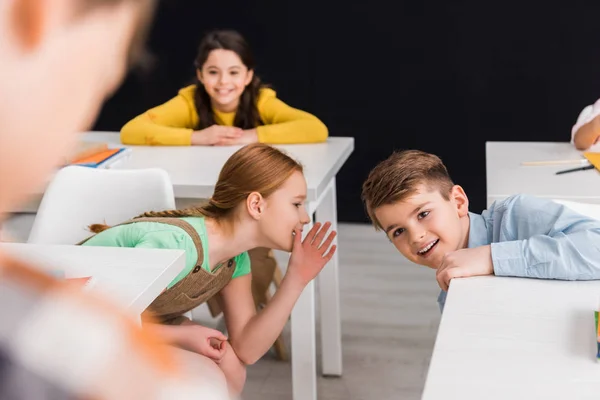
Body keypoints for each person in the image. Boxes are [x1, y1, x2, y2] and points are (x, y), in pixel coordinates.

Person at [0, 0, 229, 398]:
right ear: (43, 16)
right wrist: (196, 137)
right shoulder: (100, 370)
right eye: (106, 72)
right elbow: (138, 129)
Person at [80, 143, 337, 395]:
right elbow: (99, 321)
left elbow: (247, 349)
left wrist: (296, 279)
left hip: (136, 322)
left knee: (232, 365)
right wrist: (179, 336)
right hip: (79, 319)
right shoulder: (173, 246)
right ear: (256, 205)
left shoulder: (235, 260)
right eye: (296, 204)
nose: (305, 217)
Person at [361, 149, 600, 310]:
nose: (416, 236)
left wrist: (491, 257)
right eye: (398, 232)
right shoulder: (450, 293)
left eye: (423, 214)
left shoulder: (514, 216)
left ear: (458, 202)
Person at [120, 29, 328, 146]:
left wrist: (249, 136)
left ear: (248, 76)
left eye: (234, 72)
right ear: (200, 74)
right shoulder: (190, 101)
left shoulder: (261, 100)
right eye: (213, 72)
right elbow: (131, 131)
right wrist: (197, 137)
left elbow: (316, 128)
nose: (223, 82)